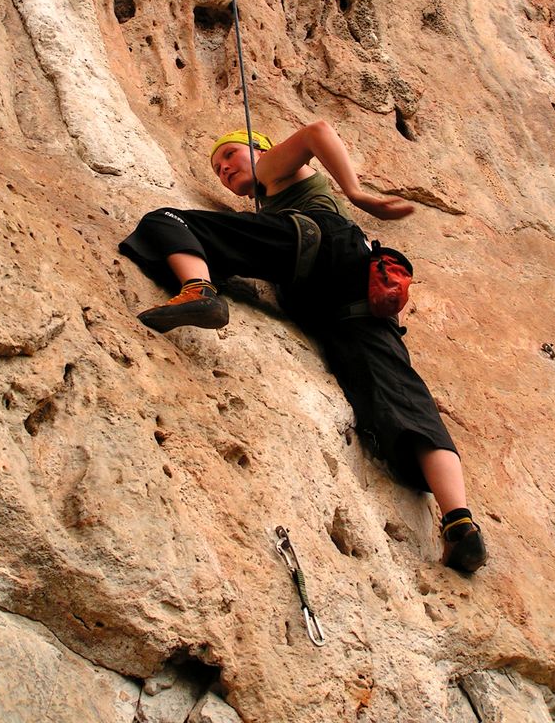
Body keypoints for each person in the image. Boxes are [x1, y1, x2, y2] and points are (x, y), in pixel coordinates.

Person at [119, 121, 487, 573]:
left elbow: (316, 132)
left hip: (316, 242)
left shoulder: (276, 173)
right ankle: (460, 523)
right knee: (405, 404)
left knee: (166, 221)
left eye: (230, 155)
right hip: (349, 308)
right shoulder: (271, 200)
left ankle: (197, 288)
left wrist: (356, 192)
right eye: (217, 169)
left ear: (260, 149)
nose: (223, 170)